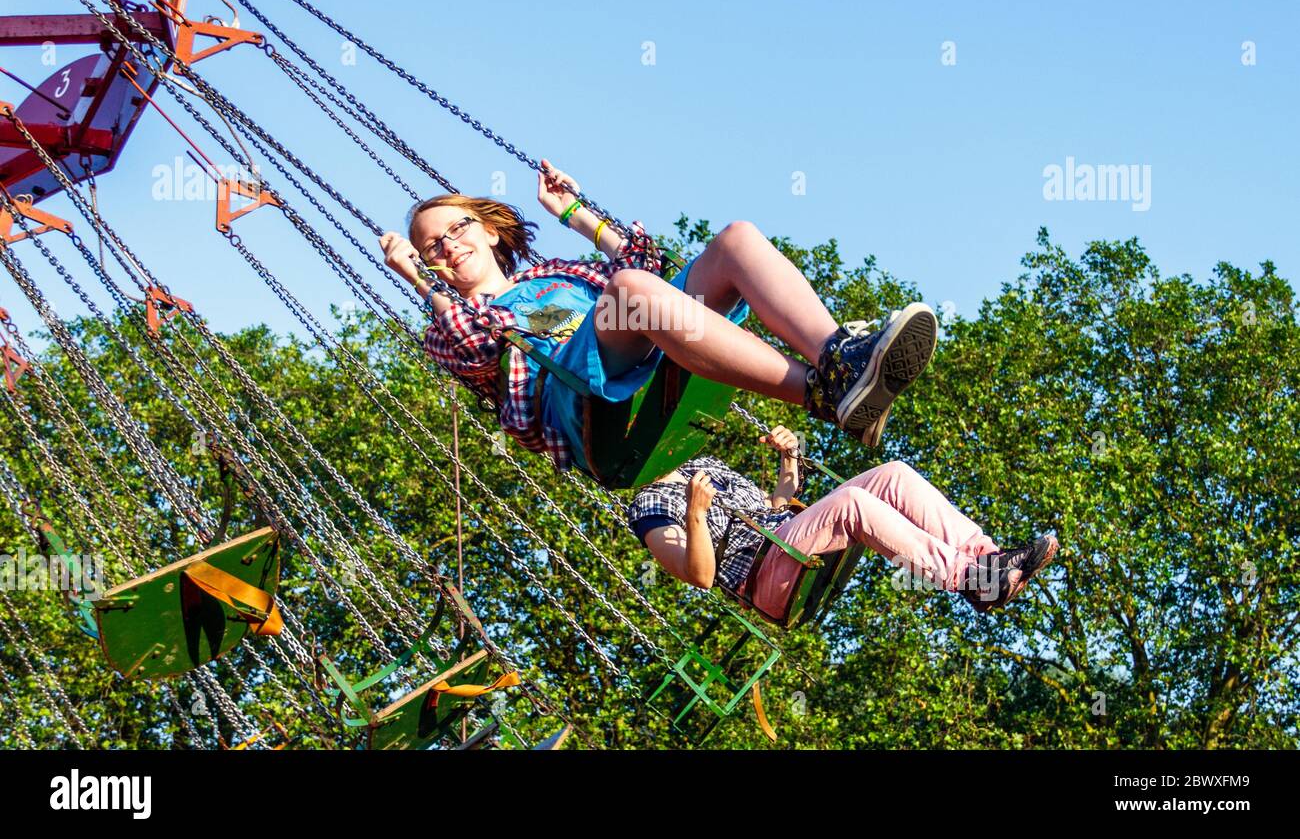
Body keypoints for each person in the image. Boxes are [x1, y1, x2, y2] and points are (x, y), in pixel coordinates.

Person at [380, 160, 938, 475]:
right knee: (629, 290)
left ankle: (838, 361)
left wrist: (574, 213)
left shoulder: (553, 274)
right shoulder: (457, 323)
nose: (448, 246)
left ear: (489, 230)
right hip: (580, 401)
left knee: (734, 241)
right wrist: (420, 281)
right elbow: (471, 348)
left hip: (636, 338)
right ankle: (820, 395)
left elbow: (641, 263)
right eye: (432, 248)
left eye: (456, 229)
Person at [627, 425, 1060, 616]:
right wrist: (695, 513)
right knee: (852, 502)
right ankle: (967, 575)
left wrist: (789, 459)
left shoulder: (700, 465)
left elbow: (775, 506)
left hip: (781, 539)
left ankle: (986, 560)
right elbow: (700, 576)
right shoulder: (652, 506)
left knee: (895, 475)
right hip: (760, 577)